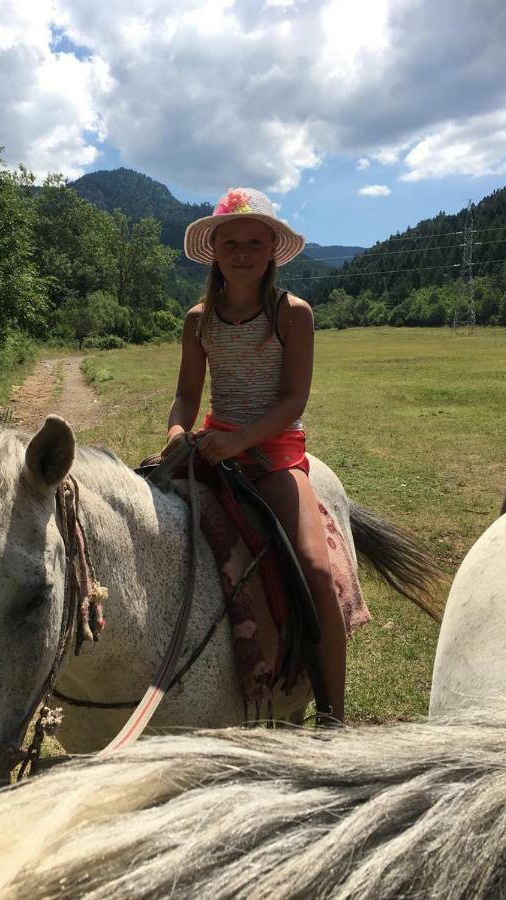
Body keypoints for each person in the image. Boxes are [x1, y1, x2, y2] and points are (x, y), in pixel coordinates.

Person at [163, 187, 347, 722]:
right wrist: (178, 431)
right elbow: (187, 395)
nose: (241, 252)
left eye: (253, 242)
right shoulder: (198, 319)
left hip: (274, 452)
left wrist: (241, 441)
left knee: (316, 570)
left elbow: (293, 399)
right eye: (230, 242)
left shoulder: (294, 314)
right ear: (214, 251)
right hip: (215, 444)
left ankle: (333, 715)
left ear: (272, 250)